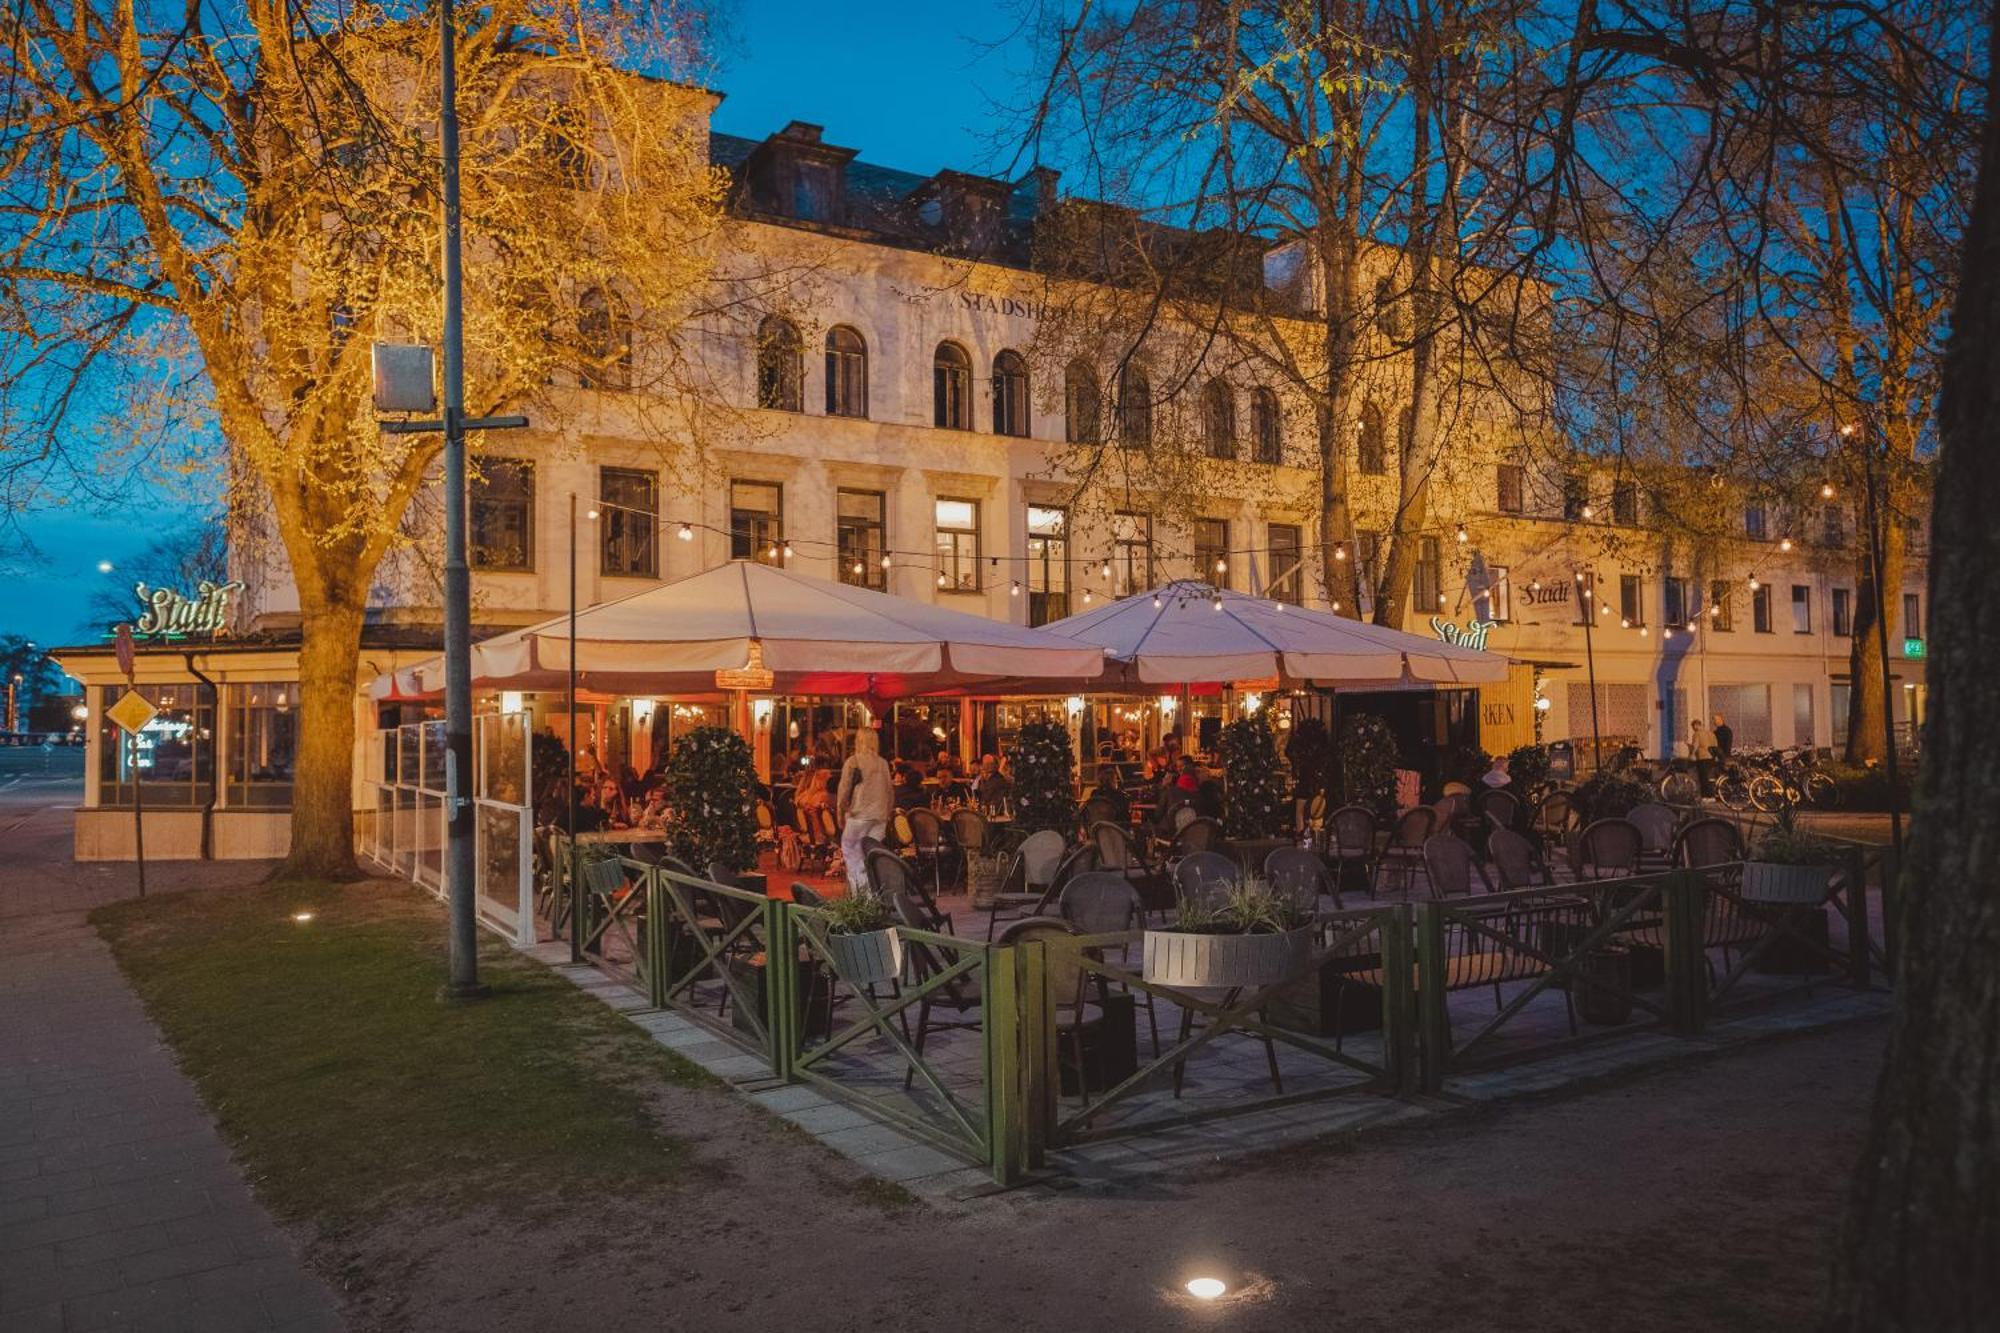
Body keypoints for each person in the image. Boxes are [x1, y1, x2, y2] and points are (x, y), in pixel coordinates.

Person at [836, 728, 894, 892]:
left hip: (859, 815)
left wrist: (840, 813)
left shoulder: (853, 761)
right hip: (880, 816)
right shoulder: (883, 763)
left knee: (852, 854)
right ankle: (873, 893)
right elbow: (889, 791)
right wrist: (887, 813)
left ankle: (861, 897)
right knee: (870, 856)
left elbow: (844, 790)